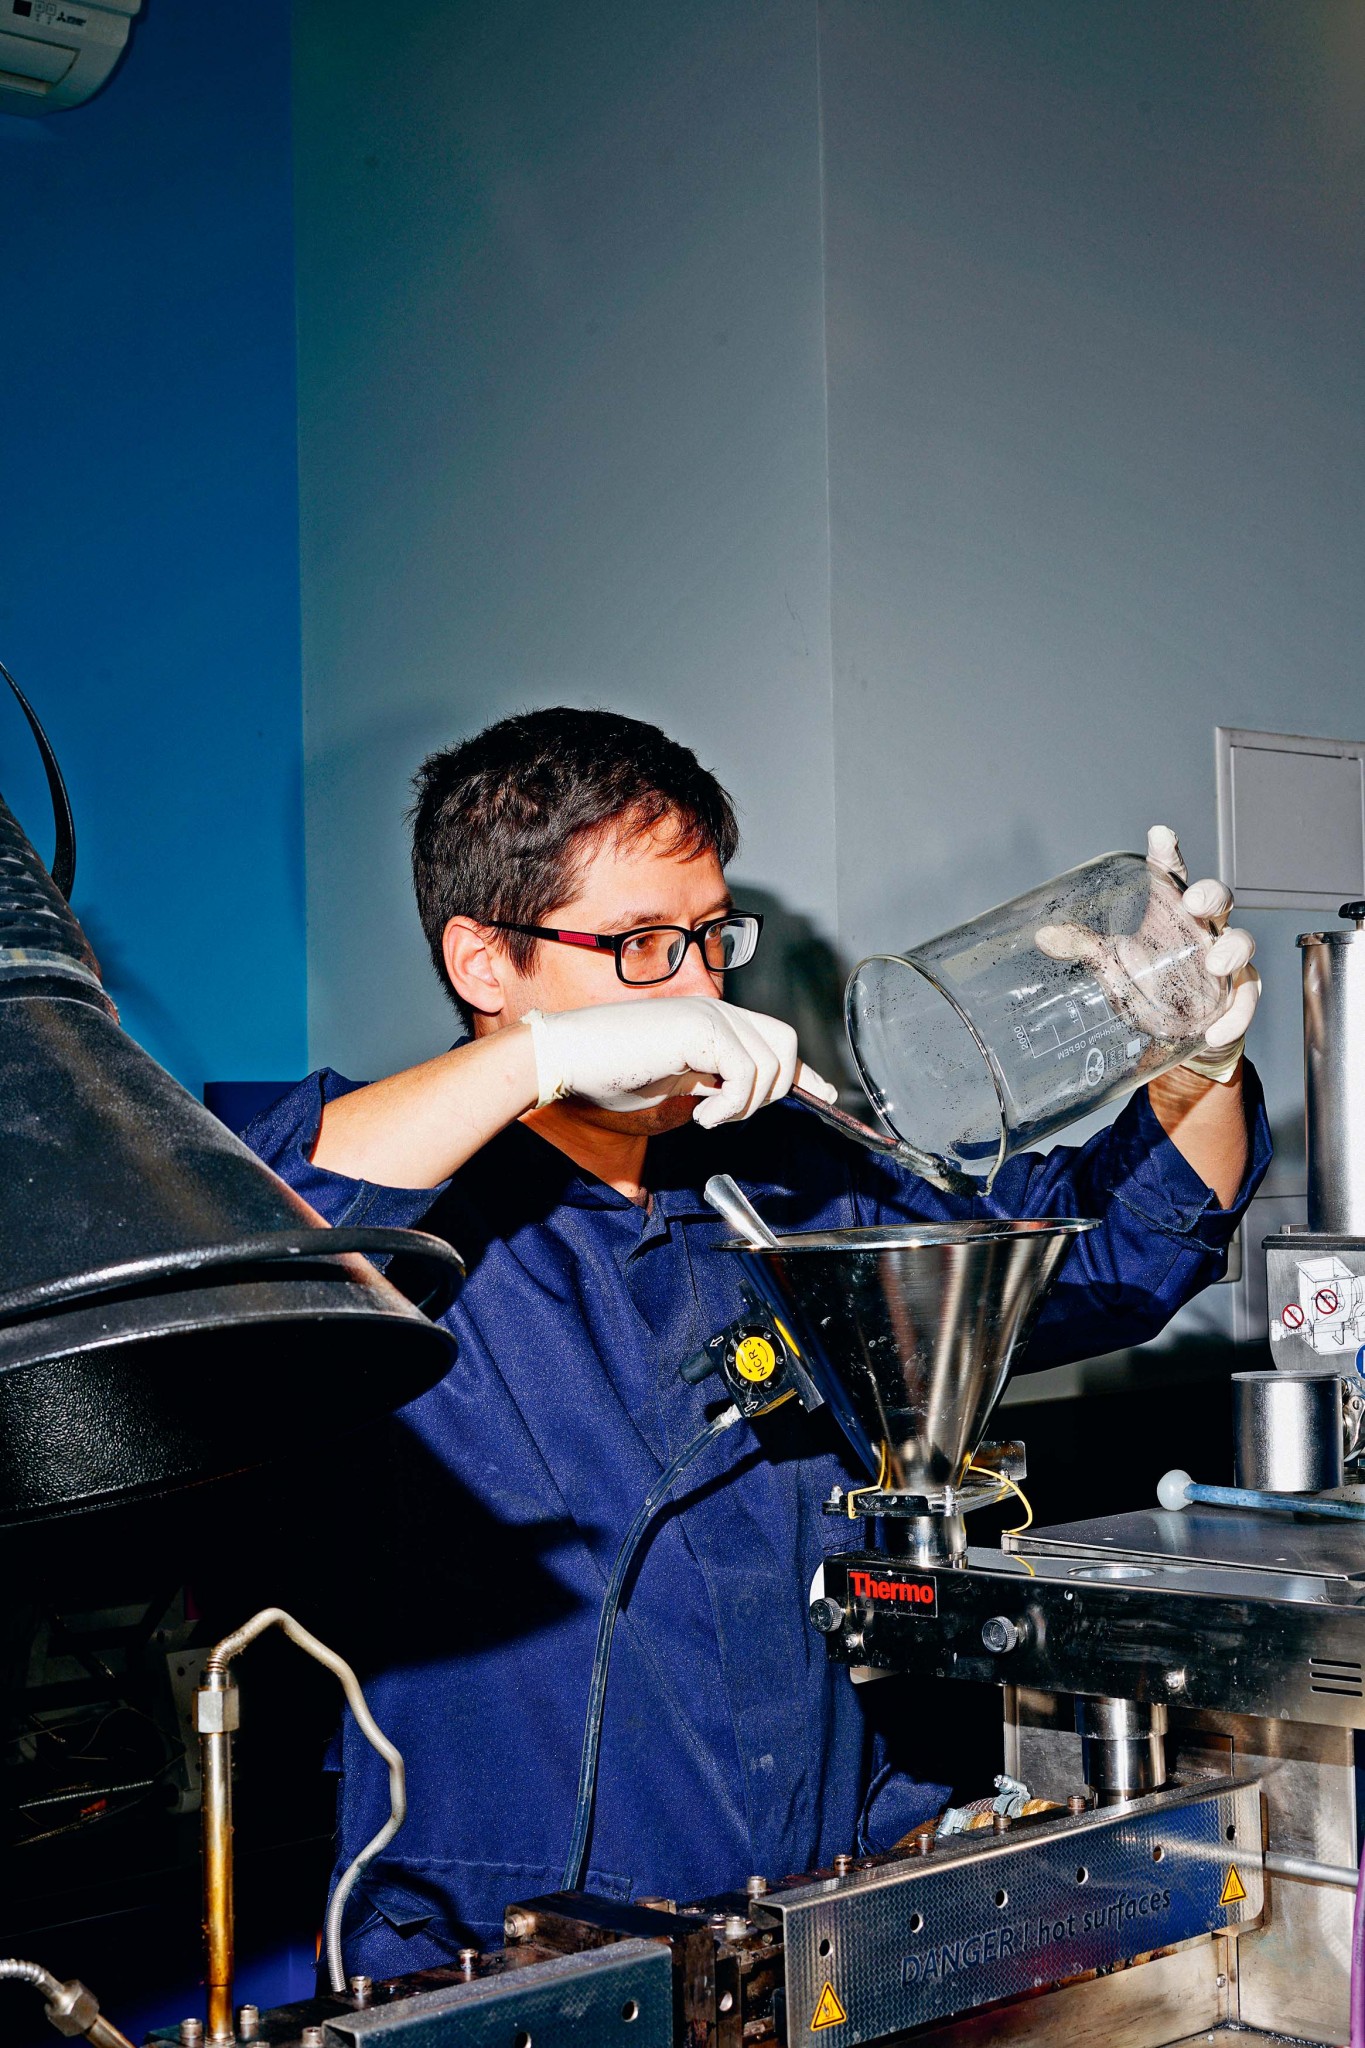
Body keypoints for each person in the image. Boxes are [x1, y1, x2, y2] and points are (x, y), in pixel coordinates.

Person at [245, 707, 1268, 1976]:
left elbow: (1105, 1262)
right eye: (639, 945)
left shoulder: (785, 1185)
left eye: (710, 938)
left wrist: (1192, 1065)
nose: (696, 988)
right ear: (485, 962)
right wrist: (540, 1062)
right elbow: (256, 1243)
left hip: (821, 1906)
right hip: (499, 1952)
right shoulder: (408, 1202)